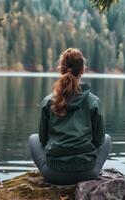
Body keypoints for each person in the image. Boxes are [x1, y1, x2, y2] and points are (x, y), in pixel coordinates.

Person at [29, 48, 112, 185]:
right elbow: (98, 141)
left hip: (53, 174)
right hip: (88, 173)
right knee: (107, 139)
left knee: (33, 138)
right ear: (82, 70)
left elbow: (43, 140)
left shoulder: (48, 101)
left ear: (61, 69)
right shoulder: (93, 102)